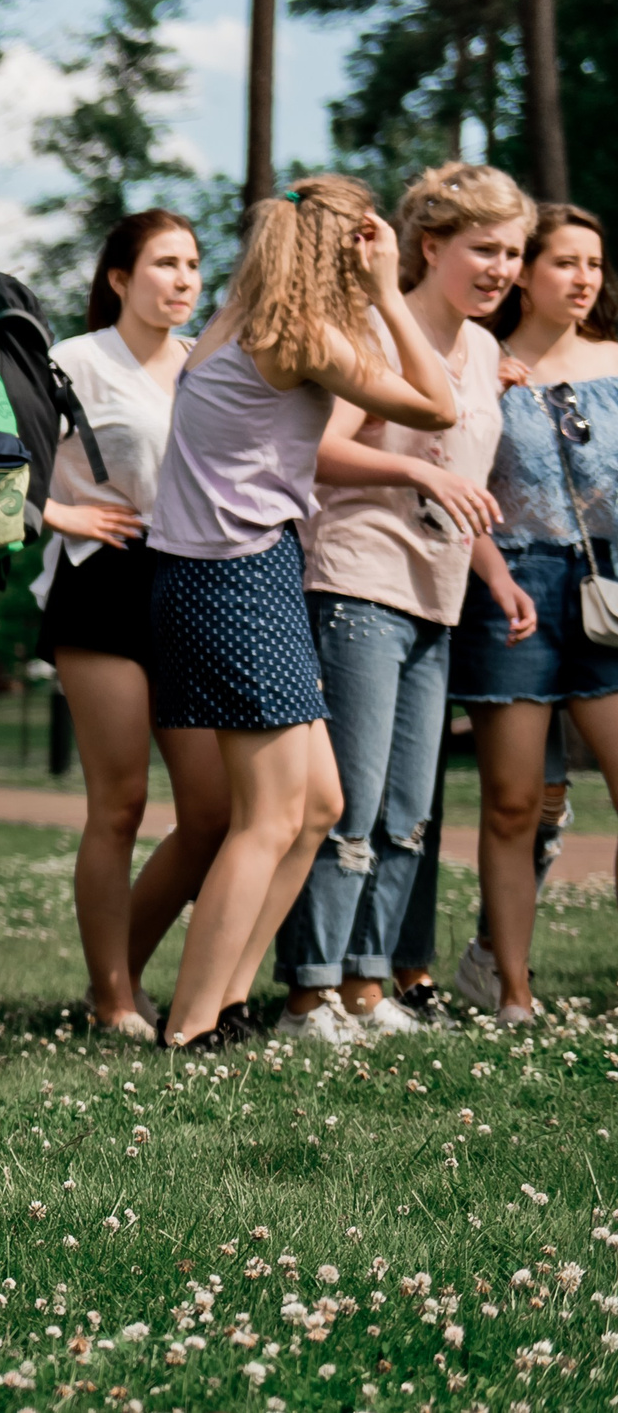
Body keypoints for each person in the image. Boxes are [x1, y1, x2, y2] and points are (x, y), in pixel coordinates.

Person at [144, 176, 457, 1050]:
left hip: (224, 575)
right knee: (272, 814)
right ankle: (193, 1025)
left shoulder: (239, 323)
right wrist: (393, 294)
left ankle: (231, 1000)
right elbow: (437, 404)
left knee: (317, 801)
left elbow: (329, 419)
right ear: (348, 246)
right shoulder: (299, 336)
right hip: (236, 578)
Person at [265, 164, 526, 1041]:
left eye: (513, 253)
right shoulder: (374, 324)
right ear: (429, 246)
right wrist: (414, 464)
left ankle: (370, 989)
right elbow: (322, 453)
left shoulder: (486, 351)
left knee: (411, 809)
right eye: (483, 249)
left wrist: (494, 571)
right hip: (356, 577)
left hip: (437, 593)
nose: (502, 268)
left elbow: (462, 488)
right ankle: (311, 991)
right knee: (354, 803)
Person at [35, 210, 229, 1040]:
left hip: (193, 584)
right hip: (101, 587)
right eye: (164, 263)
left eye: (192, 264)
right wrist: (59, 514)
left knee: (213, 811)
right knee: (118, 804)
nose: (183, 279)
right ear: (119, 277)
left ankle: (121, 974)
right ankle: (114, 997)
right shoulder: (71, 362)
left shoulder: (212, 364)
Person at [450, 203, 616, 1025]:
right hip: (509, 585)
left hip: (610, 586)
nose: (583, 278)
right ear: (524, 273)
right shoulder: (480, 359)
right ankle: (509, 987)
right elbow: (454, 473)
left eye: (593, 263)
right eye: (565, 263)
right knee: (516, 801)